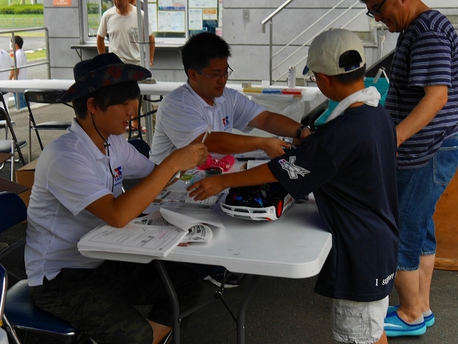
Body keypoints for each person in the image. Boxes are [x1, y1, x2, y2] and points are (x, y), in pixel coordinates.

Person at [188, 29, 400, 344]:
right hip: (378, 239)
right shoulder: (377, 114)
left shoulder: (341, 133)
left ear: (324, 80)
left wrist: (221, 180)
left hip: (362, 251)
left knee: (358, 336)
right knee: (371, 330)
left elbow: (280, 171)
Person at [24, 53, 208, 344]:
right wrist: (173, 163)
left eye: (133, 99)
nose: (132, 110)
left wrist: (183, 163)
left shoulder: (113, 143)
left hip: (105, 257)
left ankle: (145, 339)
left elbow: (154, 176)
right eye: (123, 102)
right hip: (62, 277)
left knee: (187, 282)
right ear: (93, 106)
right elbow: (117, 214)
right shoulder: (64, 156)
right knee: (135, 335)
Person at [360, 0, 458, 337]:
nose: (377, 17)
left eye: (377, 7)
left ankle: (410, 314)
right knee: (420, 227)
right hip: (430, 148)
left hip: (427, 150)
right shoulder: (420, 27)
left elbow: (436, 97)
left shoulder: (428, 31)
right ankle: (421, 306)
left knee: (401, 229)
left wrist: (393, 138)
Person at [150, 32, 311, 166]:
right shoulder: (177, 105)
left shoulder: (227, 96)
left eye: (225, 72)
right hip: (170, 187)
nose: (222, 80)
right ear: (193, 74)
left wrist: (301, 130)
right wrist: (263, 143)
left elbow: (265, 119)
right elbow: (209, 143)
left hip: (209, 177)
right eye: (215, 75)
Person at [97, 0, 155, 134]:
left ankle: (149, 127)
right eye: (114, 0)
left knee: (139, 97)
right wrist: (103, 57)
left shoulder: (139, 15)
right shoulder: (107, 16)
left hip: (135, 64)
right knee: (118, 98)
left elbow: (151, 37)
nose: (117, 2)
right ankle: (122, 126)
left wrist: (150, 58)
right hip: (116, 66)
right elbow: (100, 38)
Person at [8, 35, 27, 110]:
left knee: (20, 106)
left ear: (15, 44)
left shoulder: (18, 54)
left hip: (19, 83)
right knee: (25, 104)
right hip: (24, 81)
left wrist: (10, 79)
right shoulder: (22, 53)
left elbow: (16, 69)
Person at [0, 48, 13, 112]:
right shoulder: (4, 52)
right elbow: (13, 66)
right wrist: (9, 79)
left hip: (2, 85)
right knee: (4, 105)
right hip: (6, 84)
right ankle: (7, 120)